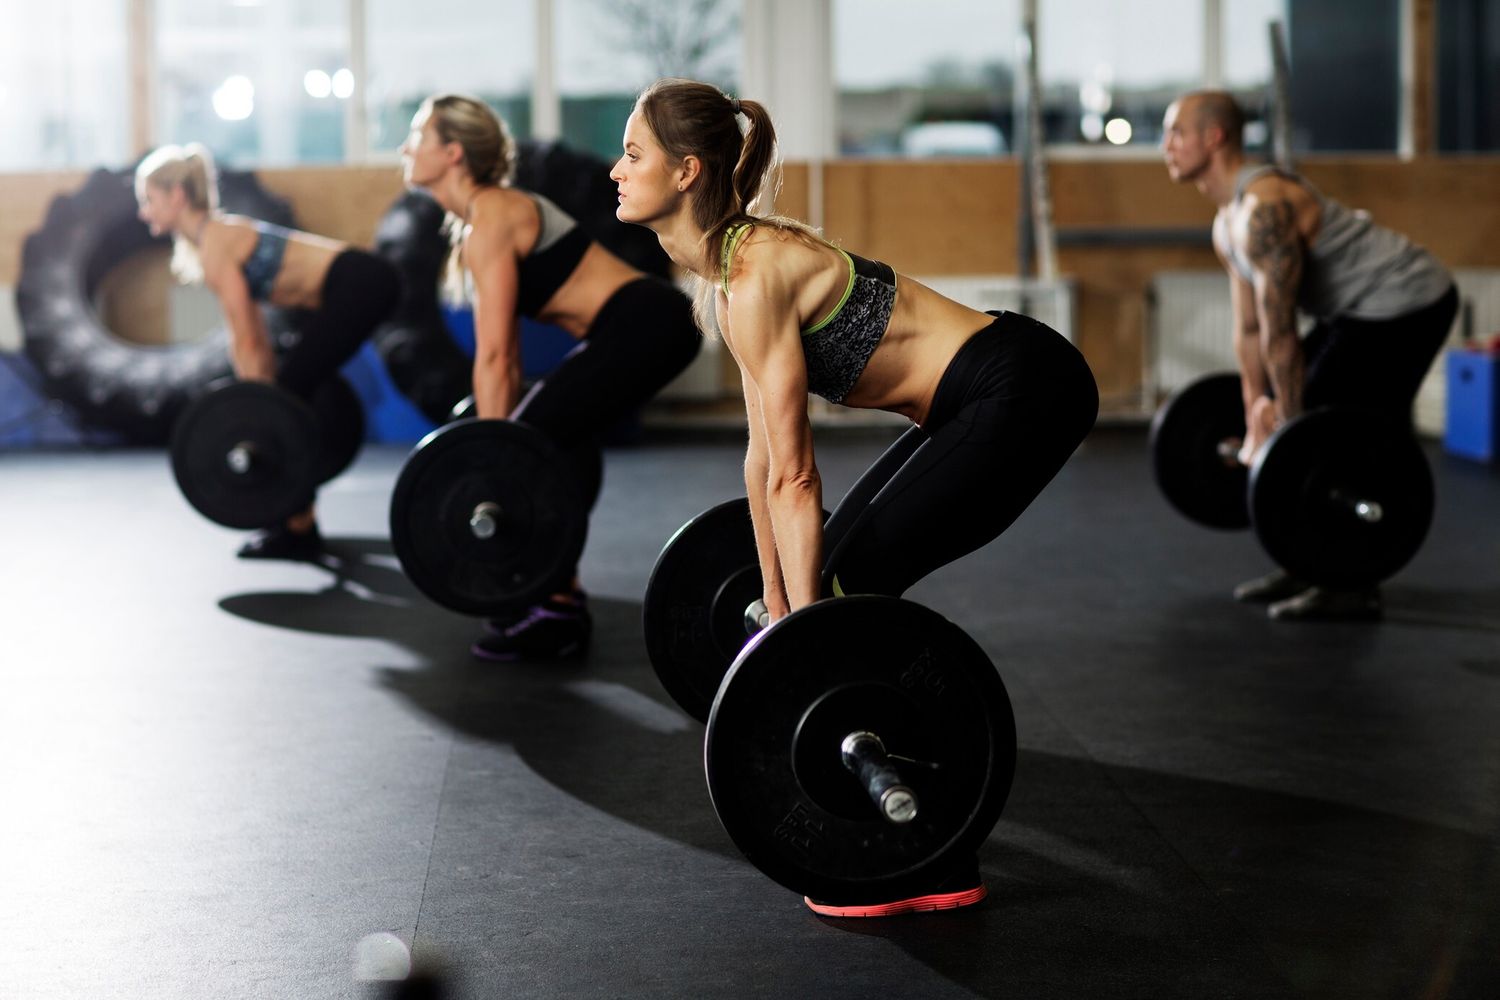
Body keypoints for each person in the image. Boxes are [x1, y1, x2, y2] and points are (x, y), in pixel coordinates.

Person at [612, 78, 1098, 917]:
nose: (616, 171)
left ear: (686, 171)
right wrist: (778, 606)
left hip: (1023, 391)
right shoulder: (733, 275)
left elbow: (799, 477)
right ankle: (925, 829)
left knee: (847, 594)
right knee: (831, 588)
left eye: (632, 154)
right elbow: (762, 464)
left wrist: (805, 639)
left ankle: (935, 855)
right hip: (981, 395)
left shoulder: (755, 273)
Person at [400, 94, 701, 662]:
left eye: (418, 136)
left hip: (645, 323)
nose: (405, 148)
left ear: (453, 153)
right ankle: (555, 595)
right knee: (557, 438)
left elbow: (497, 358)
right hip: (637, 326)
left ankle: (556, 605)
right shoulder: (483, 220)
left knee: (531, 443)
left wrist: (493, 459)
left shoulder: (493, 216)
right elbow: (505, 365)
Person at [1161, 90, 1457, 622]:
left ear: (1214, 137)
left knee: (1338, 430)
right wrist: (1257, 410)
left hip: (1408, 301)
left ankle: (1349, 582)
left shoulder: (1264, 208)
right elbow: (1250, 329)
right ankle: (1304, 561)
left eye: (1176, 132)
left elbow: (1281, 333)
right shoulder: (1227, 224)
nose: (1167, 146)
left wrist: (1290, 438)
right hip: (1354, 310)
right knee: (1305, 410)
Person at [136, 144, 402, 561]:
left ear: (177, 196)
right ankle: (297, 523)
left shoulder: (216, 242)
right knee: (289, 396)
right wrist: (262, 403)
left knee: (287, 401)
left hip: (361, 283)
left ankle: (298, 529)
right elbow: (252, 333)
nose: (143, 212)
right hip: (358, 284)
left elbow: (247, 337)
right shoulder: (213, 239)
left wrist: (260, 411)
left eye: (149, 199)